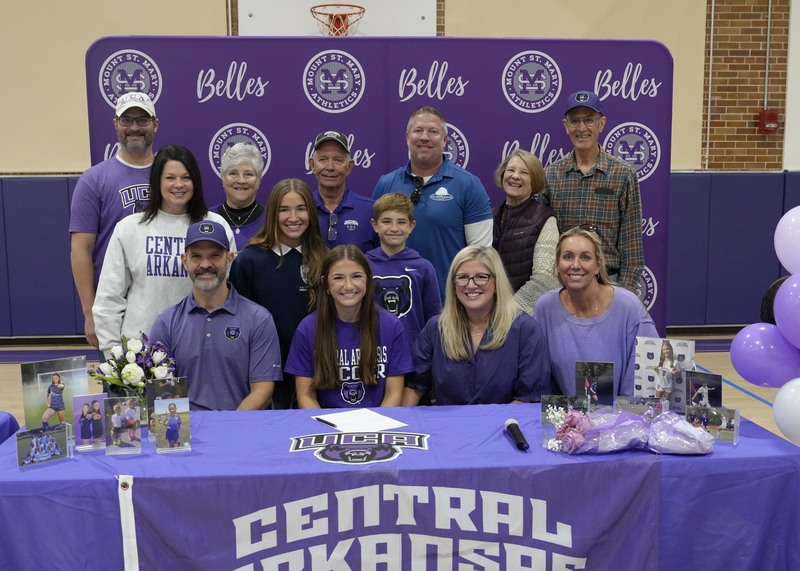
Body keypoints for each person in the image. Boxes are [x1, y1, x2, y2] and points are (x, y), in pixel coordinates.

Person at [93, 144, 235, 354]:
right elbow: (109, 298)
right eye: (170, 178)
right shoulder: (130, 228)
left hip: (201, 349)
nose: (179, 184)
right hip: (141, 354)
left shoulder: (216, 225)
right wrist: (113, 353)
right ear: (157, 181)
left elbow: (227, 292)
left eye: (186, 177)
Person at [149, 220, 283, 411]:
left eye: (214, 256)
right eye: (196, 256)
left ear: (229, 259)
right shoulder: (166, 323)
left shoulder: (258, 319)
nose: (206, 264)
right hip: (188, 434)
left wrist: (227, 430)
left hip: (238, 432)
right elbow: (163, 393)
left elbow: (263, 391)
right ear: (184, 261)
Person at [404, 246, 550, 406]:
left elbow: (530, 399)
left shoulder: (526, 330)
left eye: (481, 277)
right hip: (447, 427)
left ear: (497, 282)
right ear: (453, 284)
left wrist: (484, 427)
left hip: (503, 427)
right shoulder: (436, 328)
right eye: (462, 277)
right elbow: (414, 387)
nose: (471, 285)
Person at [372, 106, 493, 297]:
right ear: (407, 137)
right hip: (394, 301)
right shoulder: (385, 184)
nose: (425, 137)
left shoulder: (469, 185)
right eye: (418, 130)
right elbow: (374, 247)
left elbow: (481, 254)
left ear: (445, 139)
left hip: (450, 304)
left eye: (433, 132)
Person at [70, 92, 159, 348]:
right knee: (122, 384)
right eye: (126, 120)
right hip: (113, 305)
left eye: (142, 120)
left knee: (170, 385)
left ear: (155, 124)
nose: (134, 128)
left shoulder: (172, 176)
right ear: (115, 124)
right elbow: (81, 249)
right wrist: (90, 312)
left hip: (162, 301)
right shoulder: (93, 180)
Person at [230, 178, 328, 409]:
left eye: (301, 209)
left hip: (318, 376)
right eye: (284, 210)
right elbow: (238, 323)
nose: (293, 218)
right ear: (273, 213)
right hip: (263, 378)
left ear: (312, 213)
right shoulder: (249, 261)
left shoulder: (326, 260)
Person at [534, 226, 658, 396]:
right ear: (557, 264)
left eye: (585, 257)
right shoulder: (545, 307)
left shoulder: (629, 307)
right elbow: (542, 378)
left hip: (622, 417)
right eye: (568, 257)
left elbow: (645, 381)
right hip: (566, 416)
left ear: (598, 266)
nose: (575, 265)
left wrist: (617, 419)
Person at [285, 245, 415, 409]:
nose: (348, 286)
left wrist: (378, 426)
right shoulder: (308, 328)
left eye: (356, 276)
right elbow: (306, 396)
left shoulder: (391, 325)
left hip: (379, 425)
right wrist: (325, 430)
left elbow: (394, 394)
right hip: (326, 427)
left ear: (367, 279)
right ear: (326, 284)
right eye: (338, 278)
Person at [541, 90, 645, 291]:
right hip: (563, 284)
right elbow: (543, 244)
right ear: (566, 126)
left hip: (609, 283)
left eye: (589, 120)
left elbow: (631, 245)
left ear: (602, 123)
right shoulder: (551, 176)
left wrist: (625, 294)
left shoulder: (623, 174)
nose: (581, 128)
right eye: (574, 121)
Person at [366, 193, 441, 341]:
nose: (394, 228)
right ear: (375, 225)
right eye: (386, 221)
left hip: (413, 353)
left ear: (411, 226)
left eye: (401, 222)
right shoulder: (363, 265)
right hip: (371, 351)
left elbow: (434, 318)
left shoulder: (423, 267)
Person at [492, 150, 560, 314]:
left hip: (521, 319)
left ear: (534, 181)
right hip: (487, 316)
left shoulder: (545, 219)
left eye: (524, 172)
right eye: (511, 170)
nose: (515, 176)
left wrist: (507, 314)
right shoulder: (490, 216)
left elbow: (545, 280)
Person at [308, 130, 378, 251]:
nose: (330, 167)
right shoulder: (301, 208)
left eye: (338, 160)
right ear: (312, 165)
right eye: (323, 159)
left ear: (349, 167)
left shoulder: (371, 210)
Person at [211, 142, 266, 250]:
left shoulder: (271, 219)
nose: (241, 180)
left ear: (258, 180)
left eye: (248, 174)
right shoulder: (207, 218)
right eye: (233, 173)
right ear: (223, 178)